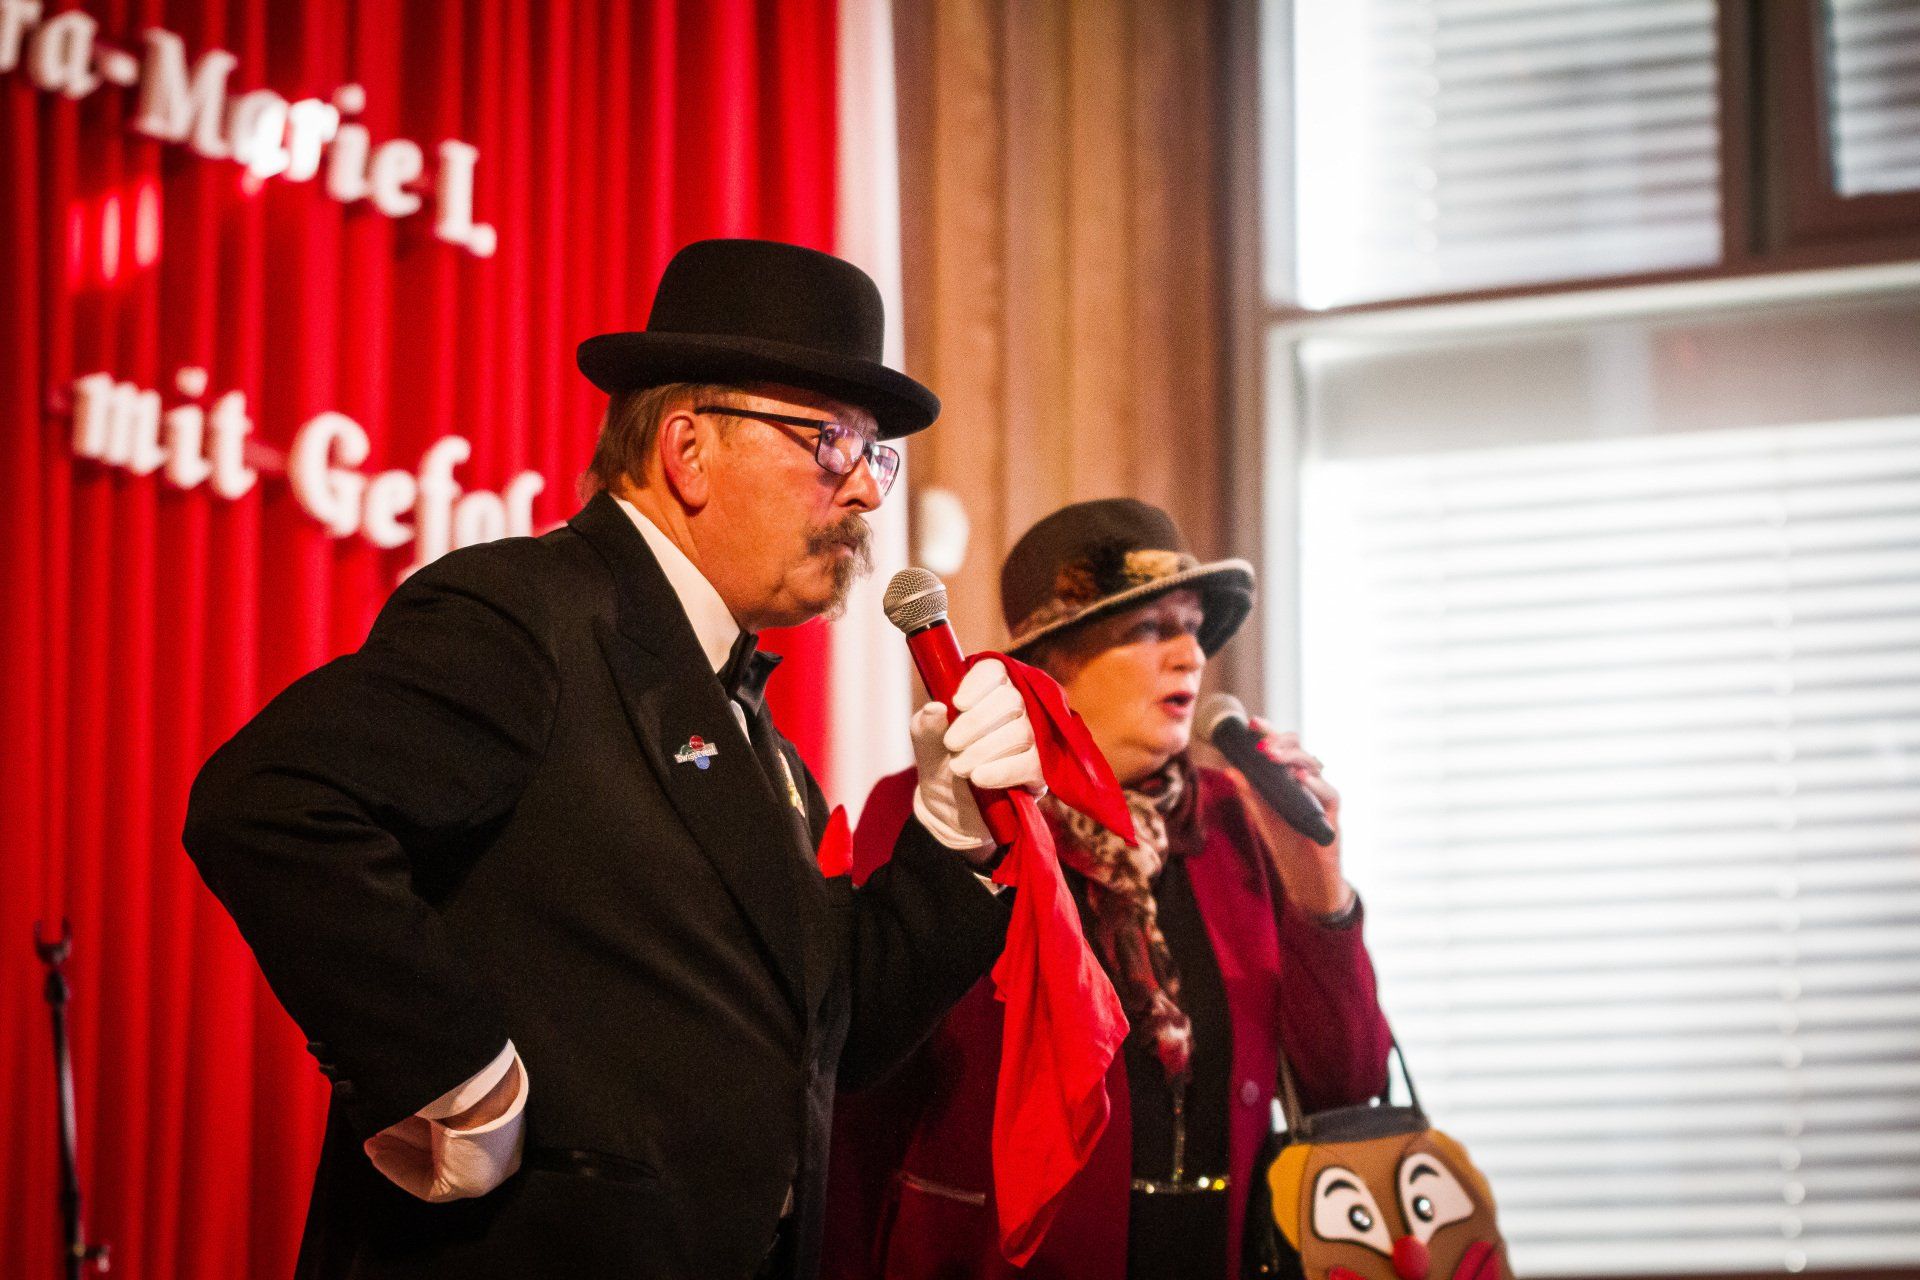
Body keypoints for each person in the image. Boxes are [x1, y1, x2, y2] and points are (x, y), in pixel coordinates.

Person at [183, 239, 1043, 1280]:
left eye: (874, 454)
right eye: (832, 442)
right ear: (688, 449)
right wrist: (455, 1075)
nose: (865, 490)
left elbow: (835, 1034)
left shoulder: (752, 727)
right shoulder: (530, 613)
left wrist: (951, 842)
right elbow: (271, 801)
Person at [822, 498, 1394, 1280]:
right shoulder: (944, 811)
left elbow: (1348, 1089)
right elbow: (860, 1099)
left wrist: (1321, 896)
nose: (1190, 656)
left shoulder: (1240, 822)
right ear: (1052, 661)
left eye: (1194, 628)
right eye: (1151, 629)